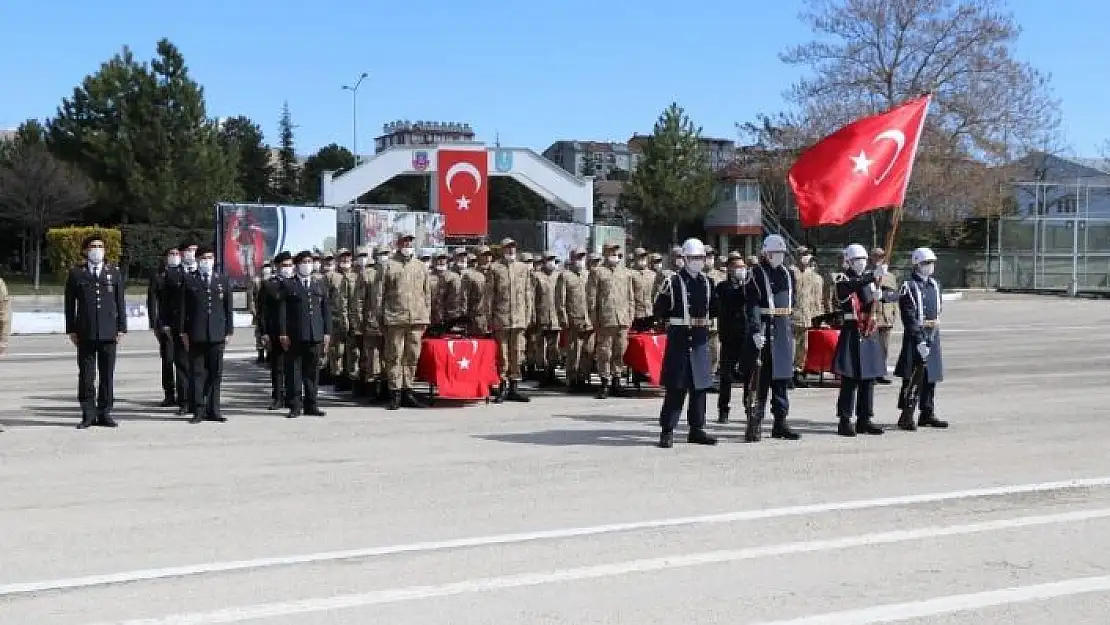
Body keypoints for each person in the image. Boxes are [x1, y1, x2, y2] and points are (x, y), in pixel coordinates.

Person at [655, 238, 718, 448]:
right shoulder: (672, 282)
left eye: (700, 258)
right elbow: (660, 309)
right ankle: (667, 430)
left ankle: (697, 429)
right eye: (693, 258)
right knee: (676, 388)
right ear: (684, 258)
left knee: (699, 388)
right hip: (680, 340)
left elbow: (716, 309)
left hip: (700, 340)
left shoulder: (708, 283)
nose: (697, 262)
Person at [832, 244, 897, 437]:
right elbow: (851, 287)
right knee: (850, 379)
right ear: (849, 261)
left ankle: (864, 419)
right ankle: (845, 420)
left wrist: (882, 295)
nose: (861, 262)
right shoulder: (843, 279)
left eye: (863, 259)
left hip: (868, 332)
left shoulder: (870, 280)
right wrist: (872, 276)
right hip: (852, 331)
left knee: (868, 378)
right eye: (857, 260)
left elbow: (884, 296)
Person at [64, 235, 127, 429]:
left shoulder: (113, 272)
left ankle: (105, 412)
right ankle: (88, 413)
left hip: (109, 332)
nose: (97, 249)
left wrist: (122, 327)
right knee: (86, 375)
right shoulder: (76, 273)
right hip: (86, 332)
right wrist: (71, 329)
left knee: (107, 375)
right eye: (93, 246)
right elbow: (69, 304)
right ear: (85, 250)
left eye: (100, 246)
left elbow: (120, 302)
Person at [743, 234, 800, 442]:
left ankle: (780, 422)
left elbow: (792, 300)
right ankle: (755, 422)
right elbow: (752, 304)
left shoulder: (787, 273)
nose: (779, 257)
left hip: (783, 329)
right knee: (760, 380)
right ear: (766, 253)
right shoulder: (755, 273)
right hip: (765, 329)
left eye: (782, 253)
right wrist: (756, 330)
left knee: (782, 379)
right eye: (775, 253)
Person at [178, 246, 234, 423]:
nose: (206, 261)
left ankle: (214, 409)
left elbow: (228, 308)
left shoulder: (222, 280)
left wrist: (229, 330)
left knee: (216, 373)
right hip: (196, 334)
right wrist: (183, 332)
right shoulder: (189, 280)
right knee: (197, 373)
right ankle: (199, 409)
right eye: (203, 258)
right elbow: (183, 309)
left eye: (209, 258)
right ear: (197, 260)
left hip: (217, 334)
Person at [894, 247, 948, 430]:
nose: (929, 266)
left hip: (932, 334)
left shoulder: (935, 284)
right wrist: (918, 340)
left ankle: (927, 412)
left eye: (931, 263)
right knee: (912, 377)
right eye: (926, 263)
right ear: (917, 264)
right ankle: (907, 414)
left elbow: (936, 310)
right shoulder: (908, 286)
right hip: (915, 336)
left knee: (930, 376)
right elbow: (908, 315)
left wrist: (929, 337)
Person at [376, 233, 432, 410]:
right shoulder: (388, 266)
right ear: (397, 243)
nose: (407, 244)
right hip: (395, 319)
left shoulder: (420, 266)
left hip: (416, 319)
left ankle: (408, 390)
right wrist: (380, 318)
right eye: (404, 241)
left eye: (410, 241)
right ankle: (395, 393)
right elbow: (379, 295)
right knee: (394, 356)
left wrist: (426, 316)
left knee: (412, 356)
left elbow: (427, 293)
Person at [279, 250, 331, 418]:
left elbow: (326, 311)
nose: (307, 265)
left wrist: (327, 333)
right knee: (294, 372)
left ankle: (311, 404)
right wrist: (283, 333)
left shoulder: (319, 284)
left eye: (309, 261)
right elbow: (283, 311)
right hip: (295, 336)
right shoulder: (289, 285)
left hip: (315, 335)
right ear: (297, 265)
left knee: (312, 372)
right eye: (304, 262)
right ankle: (295, 405)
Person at [486, 238, 534, 402]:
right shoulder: (495, 268)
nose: (511, 250)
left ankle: (515, 385)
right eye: (508, 247)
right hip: (502, 319)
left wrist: (528, 316)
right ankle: (503, 385)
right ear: (502, 249)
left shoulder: (522, 268)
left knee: (518, 353)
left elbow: (528, 294)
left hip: (519, 318)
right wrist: (489, 318)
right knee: (502, 354)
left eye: (513, 247)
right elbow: (489, 296)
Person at [587, 243, 634, 399]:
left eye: (616, 251)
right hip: (606, 319)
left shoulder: (625, 273)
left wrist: (630, 316)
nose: (614, 253)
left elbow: (630, 297)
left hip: (622, 319)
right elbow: (592, 299)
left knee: (620, 351)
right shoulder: (597, 272)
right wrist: (595, 320)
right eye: (611, 251)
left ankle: (616, 380)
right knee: (604, 352)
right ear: (605, 253)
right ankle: (605, 382)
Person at [714, 251, 749, 424]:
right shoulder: (722, 287)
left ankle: (749, 407)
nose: (740, 270)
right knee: (726, 376)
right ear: (728, 269)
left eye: (742, 267)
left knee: (749, 375)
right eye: (736, 267)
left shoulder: (749, 286)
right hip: (729, 336)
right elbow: (732, 299)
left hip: (746, 335)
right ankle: (723, 409)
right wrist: (743, 286)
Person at [147, 246, 184, 407]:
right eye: (171, 254)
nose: (175, 256)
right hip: (165, 324)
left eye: (177, 254)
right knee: (168, 360)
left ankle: (185, 394)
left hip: (181, 324)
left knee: (183, 361)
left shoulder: (185, 273)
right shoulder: (158, 276)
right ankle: (169, 393)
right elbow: (152, 300)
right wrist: (155, 323)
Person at [556, 246, 593, 393]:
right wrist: (563, 318)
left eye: (582, 257)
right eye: (578, 257)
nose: (581, 261)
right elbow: (560, 300)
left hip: (588, 320)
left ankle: (584, 377)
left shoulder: (588, 275)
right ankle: (572, 379)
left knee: (588, 351)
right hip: (573, 319)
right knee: (573, 351)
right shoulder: (565, 276)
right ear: (572, 259)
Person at [260, 252, 291, 410]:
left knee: (293, 366)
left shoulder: (295, 283)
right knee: (277, 367)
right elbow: (263, 310)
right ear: (277, 267)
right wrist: (264, 332)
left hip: (294, 330)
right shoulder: (269, 285)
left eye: (290, 265)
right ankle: (278, 397)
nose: (288, 269)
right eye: (284, 265)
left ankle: (293, 397)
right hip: (275, 331)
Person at [869, 247, 899, 384]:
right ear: (872, 258)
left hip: (887, 316)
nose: (880, 259)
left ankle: (880, 372)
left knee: (884, 347)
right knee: (872, 346)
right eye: (877, 256)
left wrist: (894, 313)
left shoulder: (891, 276)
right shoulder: (869, 274)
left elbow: (894, 296)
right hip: (874, 314)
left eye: (882, 256)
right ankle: (872, 373)